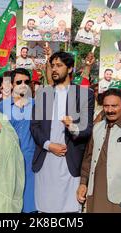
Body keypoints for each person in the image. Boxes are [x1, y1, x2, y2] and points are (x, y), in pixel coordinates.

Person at [30, 52, 94, 213]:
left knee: (70, 210)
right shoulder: (43, 94)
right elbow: (34, 126)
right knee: (45, 209)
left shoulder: (85, 94)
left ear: (70, 68)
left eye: (59, 66)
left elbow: (87, 130)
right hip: (46, 160)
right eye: (52, 66)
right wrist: (48, 145)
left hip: (70, 161)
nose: (54, 69)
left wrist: (72, 126)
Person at [78, 88, 121, 213]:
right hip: (95, 190)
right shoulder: (97, 128)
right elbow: (88, 158)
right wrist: (83, 183)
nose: (110, 110)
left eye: (114, 106)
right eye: (106, 106)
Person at [0, 68, 37, 213]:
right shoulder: (0, 108)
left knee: (29, 206)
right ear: (12, 84)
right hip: (8, 163)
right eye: (19, 82)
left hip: (31, 163)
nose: (23, 85)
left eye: (26, 82)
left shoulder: (37, 106)